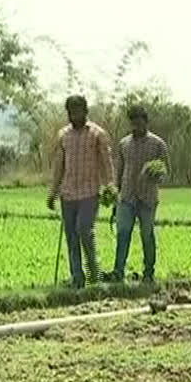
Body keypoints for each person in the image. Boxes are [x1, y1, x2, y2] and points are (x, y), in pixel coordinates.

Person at [47, 95, 114, 288]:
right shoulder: (64, 135)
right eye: (70, 112)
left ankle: (95, 273)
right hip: (68, 193)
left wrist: (110, 185)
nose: (74, 115)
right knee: (71, 236)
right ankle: (77, 277)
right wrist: (53, 192)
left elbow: (106, 162)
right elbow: (59, 166)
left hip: (89, 192)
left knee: (84, 230)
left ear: (85, 111)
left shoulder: (97, 134)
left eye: (77, 111)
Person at [109, 105, 169, 284]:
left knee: (147, 234)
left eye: (139, 123)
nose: (136, 127)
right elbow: (119, 172)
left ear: (146, 122)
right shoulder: (124, 144)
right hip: (127, 197)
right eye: (133, 123)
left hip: (147, 198)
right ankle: (118, 272)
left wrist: (156, 173)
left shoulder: (158, 144)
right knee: (123, 233)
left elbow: (165, 172)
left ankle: (148, 273)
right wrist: (115, 196)